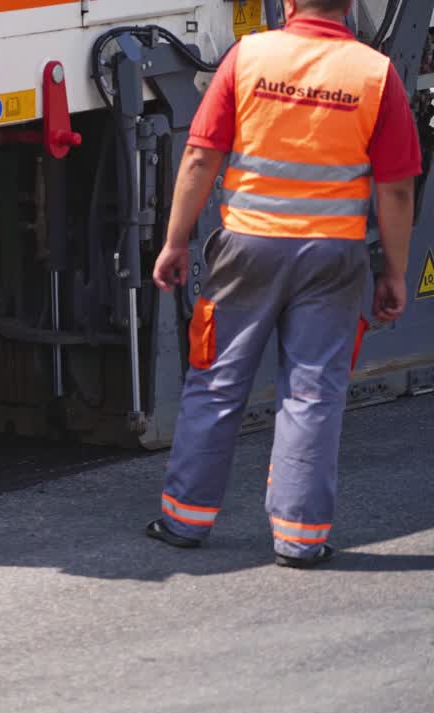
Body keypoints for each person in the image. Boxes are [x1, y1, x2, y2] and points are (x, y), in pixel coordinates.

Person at [144, 0, 420, 568]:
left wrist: (174, 242)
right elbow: (395, 188)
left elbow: (200, 156)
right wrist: (393, 270)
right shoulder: (375, 74)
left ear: (289, 2)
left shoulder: (249, 58)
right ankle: (300, 537)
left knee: (217, 381)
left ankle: (184, 521)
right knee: (314, 393)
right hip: (334, 256)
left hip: (247, 249)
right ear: (349, 7)